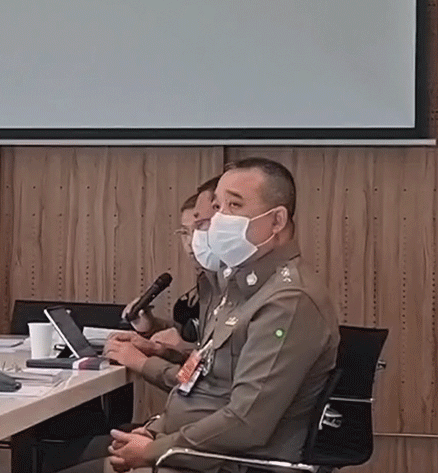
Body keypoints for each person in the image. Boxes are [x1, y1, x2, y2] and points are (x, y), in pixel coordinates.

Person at [55, 158, 340, 473]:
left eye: (234, 205)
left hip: (229, 464)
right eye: (218, 207)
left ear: (276, 221)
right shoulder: (240, 288)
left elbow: (247, 422)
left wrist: (154, 450)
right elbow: (206, 382)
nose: (219, 219)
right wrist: (155, 430)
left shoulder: (288, 301)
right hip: (192, 451)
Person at [104, 176, 220, 392]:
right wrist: (160, 349)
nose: (191, 242)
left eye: (201, 229)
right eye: (185, 233)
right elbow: (197, 367)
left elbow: (203, 384)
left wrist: (142, 362)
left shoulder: (239, 293)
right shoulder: (209, 285)